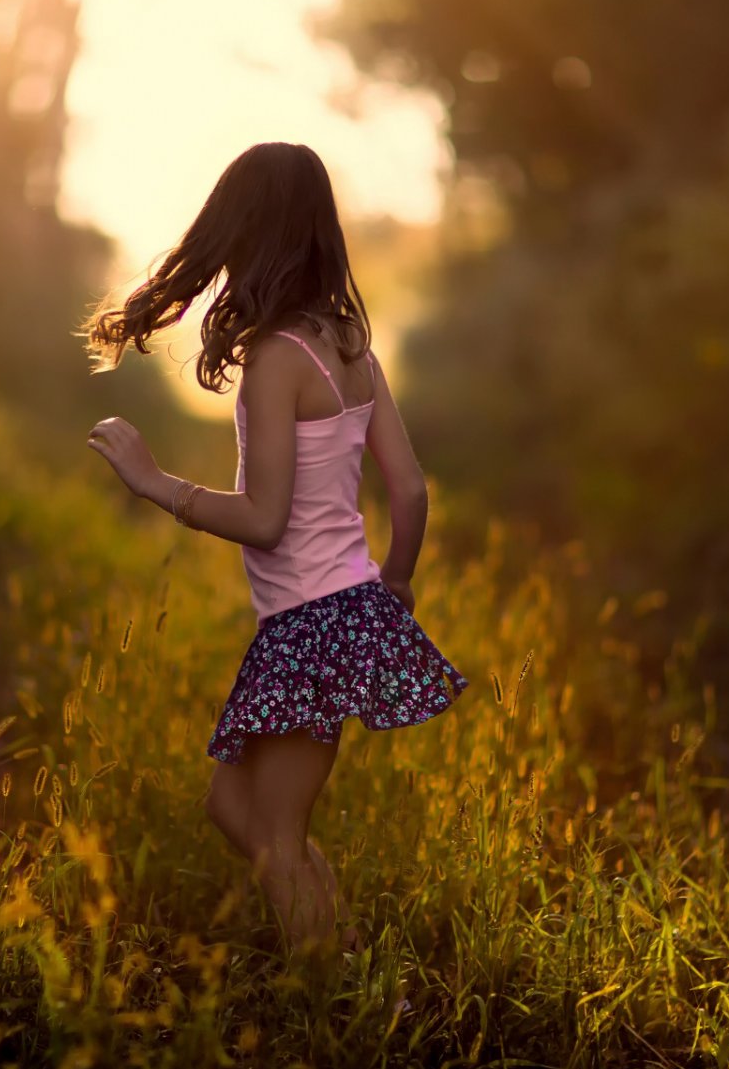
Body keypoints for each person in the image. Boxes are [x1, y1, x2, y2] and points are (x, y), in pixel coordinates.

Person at [80, 141, 469, 952]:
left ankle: (339, 994)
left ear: (248, 236)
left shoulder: (275, 361)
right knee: (234, 810)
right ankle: (350, 960)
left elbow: (265, 520)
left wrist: (155, 483)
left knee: (280, 836)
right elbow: (410, 491)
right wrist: (394, 583)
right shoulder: (350, 344)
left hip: (310, 623)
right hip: (335, 611)